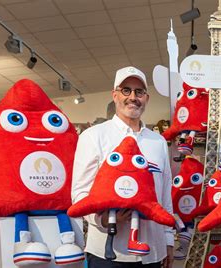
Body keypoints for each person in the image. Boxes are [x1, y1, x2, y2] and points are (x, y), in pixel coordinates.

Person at [72, 66, 174, 268]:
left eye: (139, 92)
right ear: (115, 95)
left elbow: (165, 195)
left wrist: (168, 240)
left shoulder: (158, 141)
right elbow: (80, 192)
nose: (133, 97)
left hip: (152, 252)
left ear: (146, 97)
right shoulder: (93, 136)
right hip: (107, 252)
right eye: (126, 90)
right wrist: (103, 220)